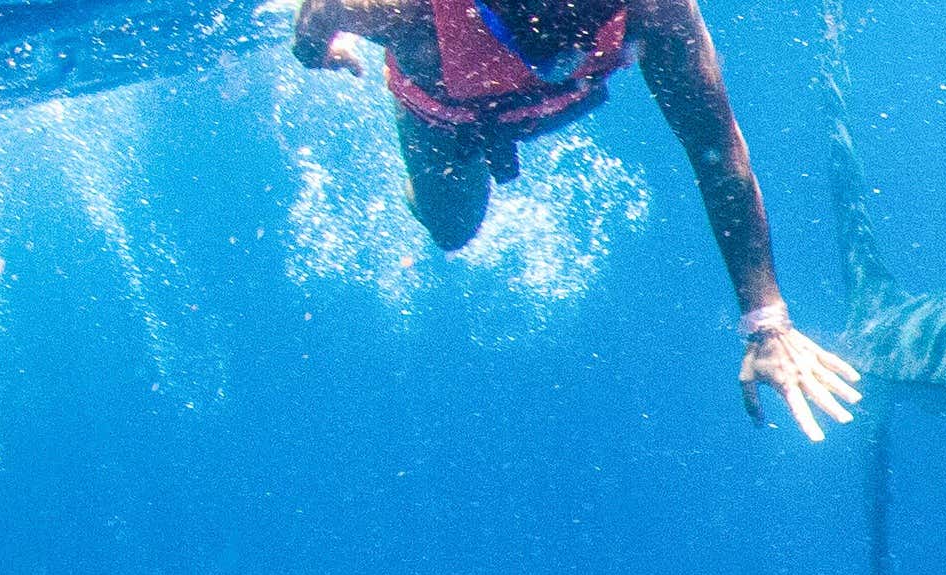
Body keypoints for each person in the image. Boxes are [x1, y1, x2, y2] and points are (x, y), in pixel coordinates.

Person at [290, 0, 864, 439]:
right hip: (447, 123)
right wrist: (325, 54)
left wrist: (768, 324)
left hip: (551, 103)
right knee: (452, 231)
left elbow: (720, 155)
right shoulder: (393, 8)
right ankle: (416, 191)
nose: (558, 37)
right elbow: (313, 26)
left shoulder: (657, 11)